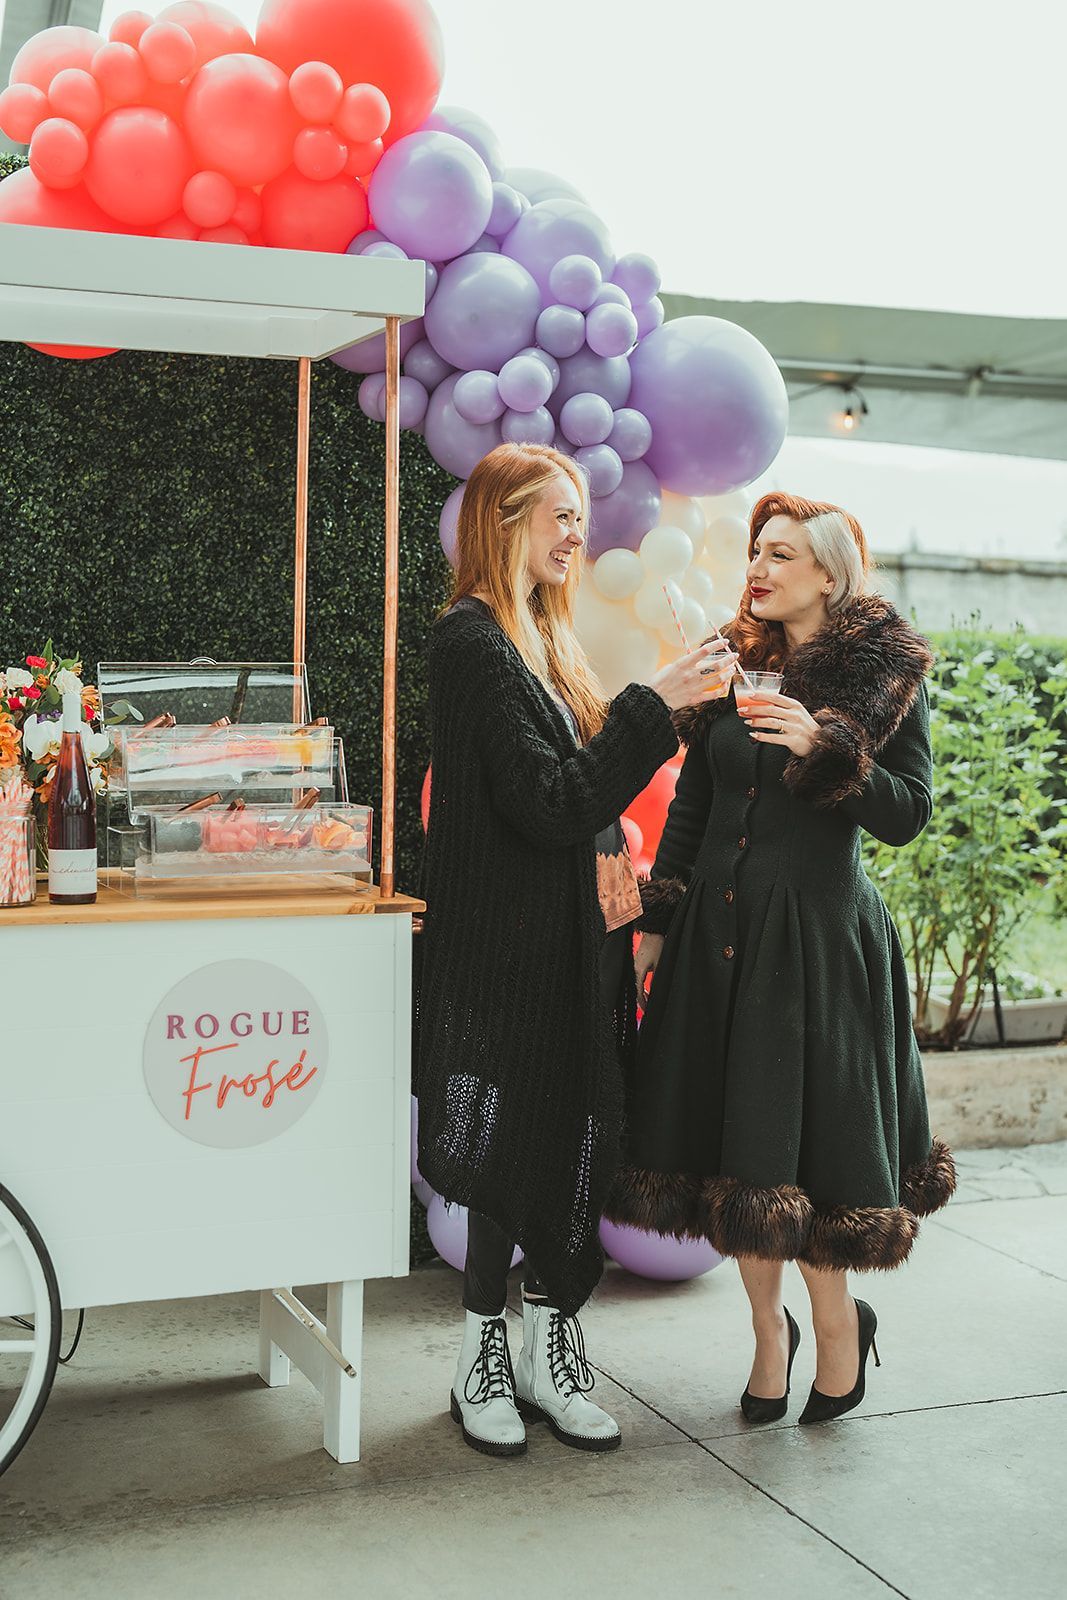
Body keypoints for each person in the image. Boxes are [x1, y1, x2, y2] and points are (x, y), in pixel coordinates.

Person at [609, 492, 956, 1426]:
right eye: (756, 551)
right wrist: (655, 922)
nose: (758, 568)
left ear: (830, 574)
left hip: (814, 945)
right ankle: (769, 1334)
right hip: (717, 941)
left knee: (810, 1155)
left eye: (783, 555)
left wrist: (825, 746)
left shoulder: (882, 675)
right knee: (735, 1154)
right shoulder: (735, 659)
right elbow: (692, 803)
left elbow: (907, 815)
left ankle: (837, 1324)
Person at [415, 442, 731, 1458]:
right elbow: (546, 802)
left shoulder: (546, 639)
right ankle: (480, 1360)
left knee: (578, 1142)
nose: (575, 532)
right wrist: (659, 702)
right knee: (514, 1149)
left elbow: (588, 794)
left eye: (579, 514)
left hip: (576, 945)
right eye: (556, 514)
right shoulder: (470, 643)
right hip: (508, 955)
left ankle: (554, 1349)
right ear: (501, 523)